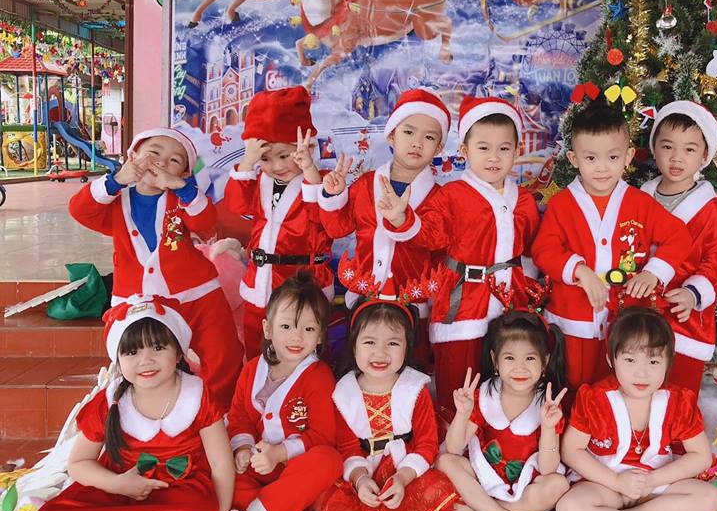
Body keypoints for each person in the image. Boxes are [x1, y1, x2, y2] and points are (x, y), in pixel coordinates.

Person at [376, 96, 541, 419]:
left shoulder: (523, 200)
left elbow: (533, 249)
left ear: (517, 151)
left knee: (508, 378)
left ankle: (502, 433)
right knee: (457, 382)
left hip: (511, 302)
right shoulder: (451, 195)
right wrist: (401, 219)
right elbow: (429, 235)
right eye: (483, 148)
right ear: (464, 151)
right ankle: (452, 437)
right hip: (461, 304)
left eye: (504, 149)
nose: (493, 157)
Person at [36, 296, 234, 511]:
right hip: (117, 489)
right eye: (132, 352)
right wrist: (117, 484)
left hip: (180, 492)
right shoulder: (109, 402)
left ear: (179, 353)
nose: (146, 360)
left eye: (158, 347)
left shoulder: (198, 396)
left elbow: (221, 464)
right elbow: (78, 463)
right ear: (118, 360)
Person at [68, 127, 242, 409]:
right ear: (132, 156)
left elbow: (205, 222)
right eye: (154, 153)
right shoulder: (116, 199)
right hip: (138, 301)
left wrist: (183, 189)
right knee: (142, 361)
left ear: (183, 173)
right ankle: (150, 416)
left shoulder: (182, 198)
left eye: (175, 161)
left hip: (197, 295)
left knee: (223, 355)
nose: (162, 162)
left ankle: (217, 415)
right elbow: (80, 210)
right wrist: (116, 180)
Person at [532, 102, 692, 392]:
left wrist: (654, 272)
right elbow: (544, 250)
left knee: (617, 389)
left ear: (628, 156)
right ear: (574, 158)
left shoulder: (640, 203)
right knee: (570, 387)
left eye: (613, 157)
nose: (602, 167)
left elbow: (679, 237)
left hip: (624, 323)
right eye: (591, 158)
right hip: (574, 321)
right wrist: (580, 270)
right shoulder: (562, 204)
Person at [555, 306, 717, 511]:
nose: (641, 373)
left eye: (653, 362)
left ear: (668, 362)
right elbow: (571, 451)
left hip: (654, 487)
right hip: (605, 486)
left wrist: (652, 481)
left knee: (712, 499)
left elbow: (701, 456)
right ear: (611, 360)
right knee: (569, 508)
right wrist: (616, 482)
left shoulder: (678, 401)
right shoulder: (595, 398)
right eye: (630, 360)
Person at [308, 88, 451, 366]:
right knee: (359, 367)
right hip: (364, 299)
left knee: (410, 370)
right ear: (391, 136)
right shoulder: (366, 185)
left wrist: (403, 221)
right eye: (408, 132)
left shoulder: (439, 197)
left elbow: (436, 239)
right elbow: (337, 229)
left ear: (439, 148)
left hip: (412, 305)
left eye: (429, 137)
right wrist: (333, 196)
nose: (417, 143)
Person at [205, 273, 341, 511]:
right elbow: (239, 416)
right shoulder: (252, 369)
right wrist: (243, 449)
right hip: (256, 469)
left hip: (295, 468)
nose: (296, 337)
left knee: (329, 460)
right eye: (286, 326)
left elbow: (322, 436)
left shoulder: (319, 376)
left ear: (320, 336)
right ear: (267, 328)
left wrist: (279, 453)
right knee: (218, 471)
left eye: (308, 328)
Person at [314, 280, 457, 511]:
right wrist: (360, 480)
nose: (380, 353)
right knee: (326, 499)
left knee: (440, 485)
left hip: (405, 469)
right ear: (354, 346)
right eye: (369, 342)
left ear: (407, 347)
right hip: (364, 469)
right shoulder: (343, 393)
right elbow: (347, 447)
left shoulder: (415, 388)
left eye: (393, 343)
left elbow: (426, 444)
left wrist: (402, 478)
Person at [437, 308, 569, 511]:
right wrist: (463, 414)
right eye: (509, 358)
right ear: (494, 360)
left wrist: (549, 427)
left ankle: (481, 510)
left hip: (526, 484)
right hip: (483, 477)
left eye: (530, 358)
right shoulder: (484, 396)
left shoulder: (548, 405)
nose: (520, 367)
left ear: (545, 362)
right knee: (445, 461)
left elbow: (548, 469)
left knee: (558, 485)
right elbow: (454, 448)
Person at [223, 86, 335, 359]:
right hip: (259, 285)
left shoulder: (322, 182)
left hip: (301, 285)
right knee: (256, 352)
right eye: (265, 158)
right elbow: (236, 205)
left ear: (307, 147)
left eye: (284, 155)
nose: (276, 166)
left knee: (301, 353)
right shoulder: (258, 181)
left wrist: (309, 171)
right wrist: (248, 162)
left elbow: (324, 219)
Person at [641, 101, 717, 394]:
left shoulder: (709, 210)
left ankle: (679, 425)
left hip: (683, 313)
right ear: (654, 149)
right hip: (641, 308)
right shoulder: (640, 198)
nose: (676, 158)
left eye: (689, 149)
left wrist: (694, 293)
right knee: (636, 383)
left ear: (704, 155)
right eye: (667, 147)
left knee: (679, 391)